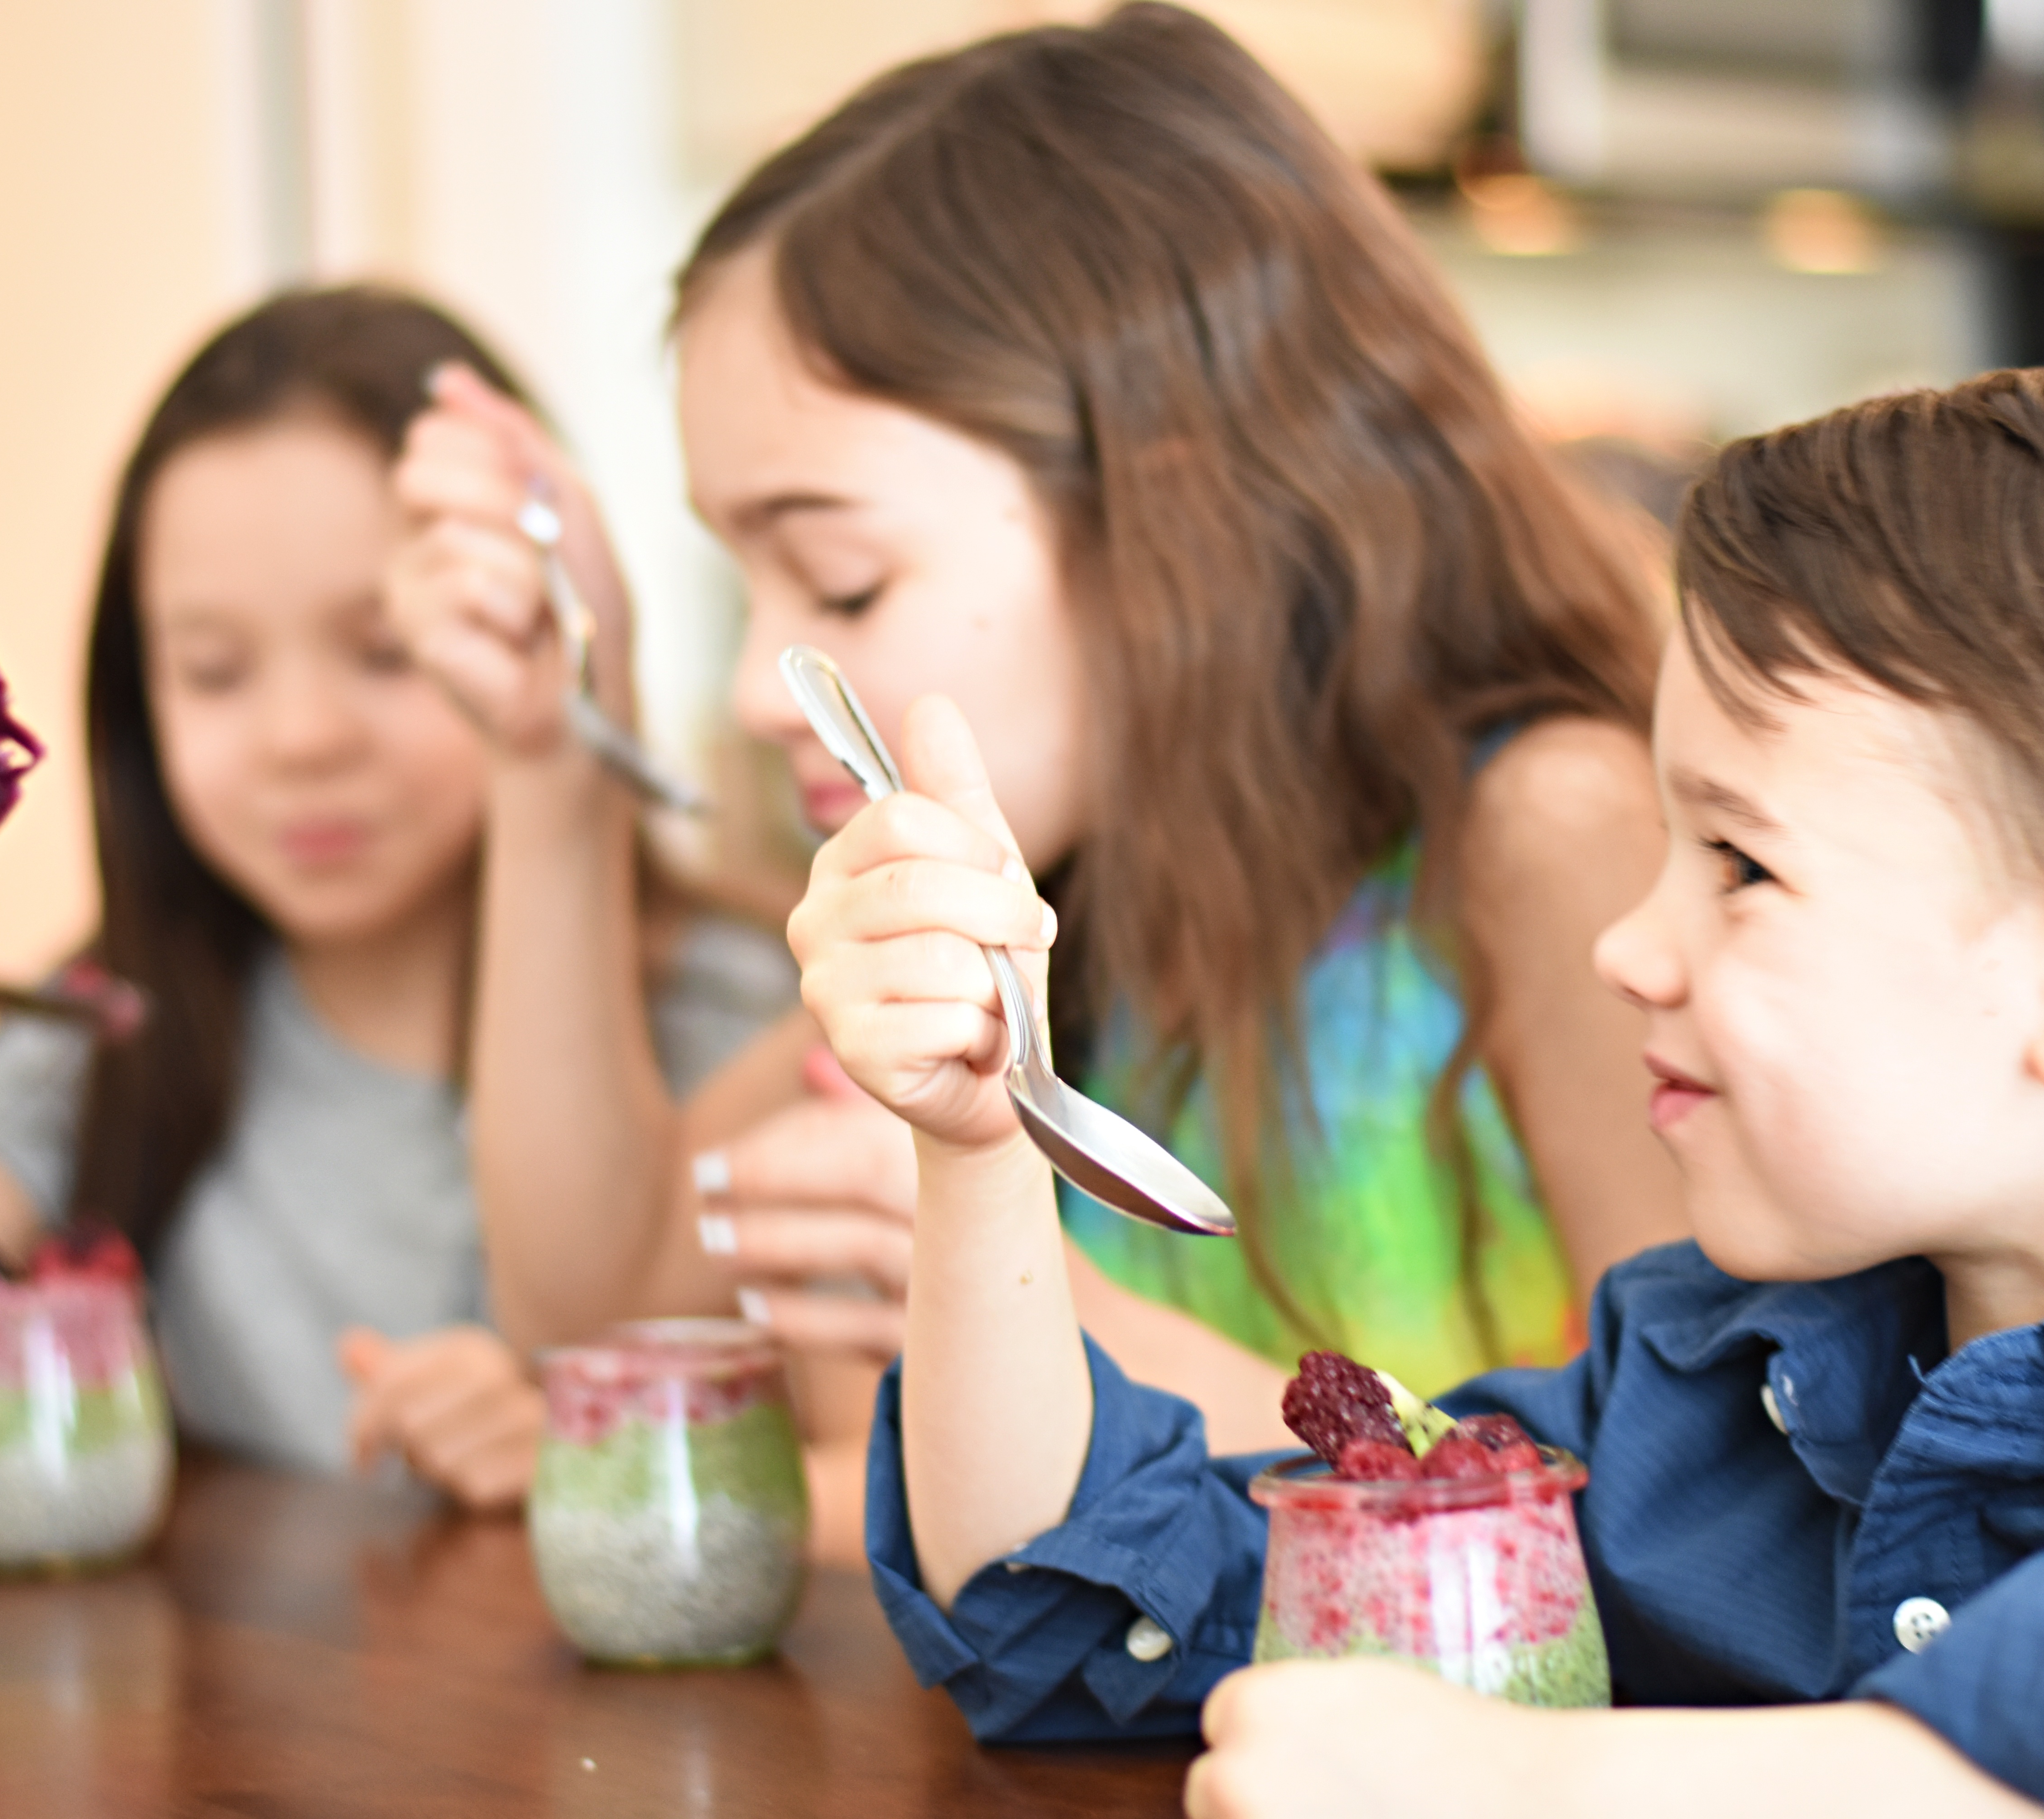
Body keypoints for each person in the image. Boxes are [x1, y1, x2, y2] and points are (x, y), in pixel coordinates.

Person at [800, 350, 2044, 1817]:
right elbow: (1082, 1618)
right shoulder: (1689, 1387)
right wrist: (981, 1144)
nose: (1626, 950)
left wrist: (1539, 1780)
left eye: (1738, 865)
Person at [391, 4, 1689, 1500]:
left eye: (846, 580)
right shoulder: (1055, 896)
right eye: (745, 584)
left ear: (1172, 513)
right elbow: (602, 1311)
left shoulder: (1545, 835)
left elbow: (1700, 1496)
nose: (762, 683)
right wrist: (554, 759)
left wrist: (1053, 1324)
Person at [0, 286, 794, 1510]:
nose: (302, 738)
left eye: (388, 650)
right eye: (215, 670)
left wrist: (569, 1439)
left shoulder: (738, 1015)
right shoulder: (100, 1039)